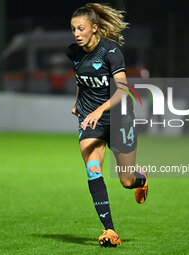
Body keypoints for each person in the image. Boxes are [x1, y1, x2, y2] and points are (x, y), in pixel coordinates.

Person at [66, 3, 148, 247]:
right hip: (91, 120)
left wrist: (100, 109)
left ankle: (141, 179)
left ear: (94, 28)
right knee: (93, 170)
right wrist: (78, 103)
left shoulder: (111, 52)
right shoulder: (74, 52)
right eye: (73, 29)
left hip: (120, 118)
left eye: (81, 29)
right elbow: (82, 79)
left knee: (126, 181)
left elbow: (123, 91)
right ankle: (110, 231)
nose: (76, 34)